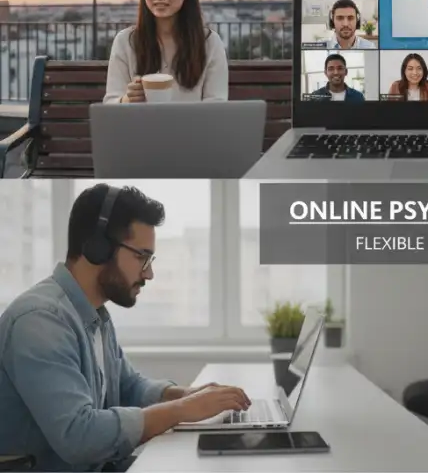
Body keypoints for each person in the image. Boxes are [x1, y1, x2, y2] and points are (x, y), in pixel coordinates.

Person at [0, 185, 252, 472]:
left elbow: (128, 385)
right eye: (141, 257)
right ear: (98, 248)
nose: (149, 273)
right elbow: (79, 436)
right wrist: (182, 411)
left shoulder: (94, 315)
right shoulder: (40, 321)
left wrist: (187, 395)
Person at [104, 0, 228, 103]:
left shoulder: (210, 43)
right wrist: (126, 100)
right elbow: (110, 103)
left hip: (194, 127)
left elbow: (216, 105)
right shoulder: (125, 42)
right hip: (141, 127)